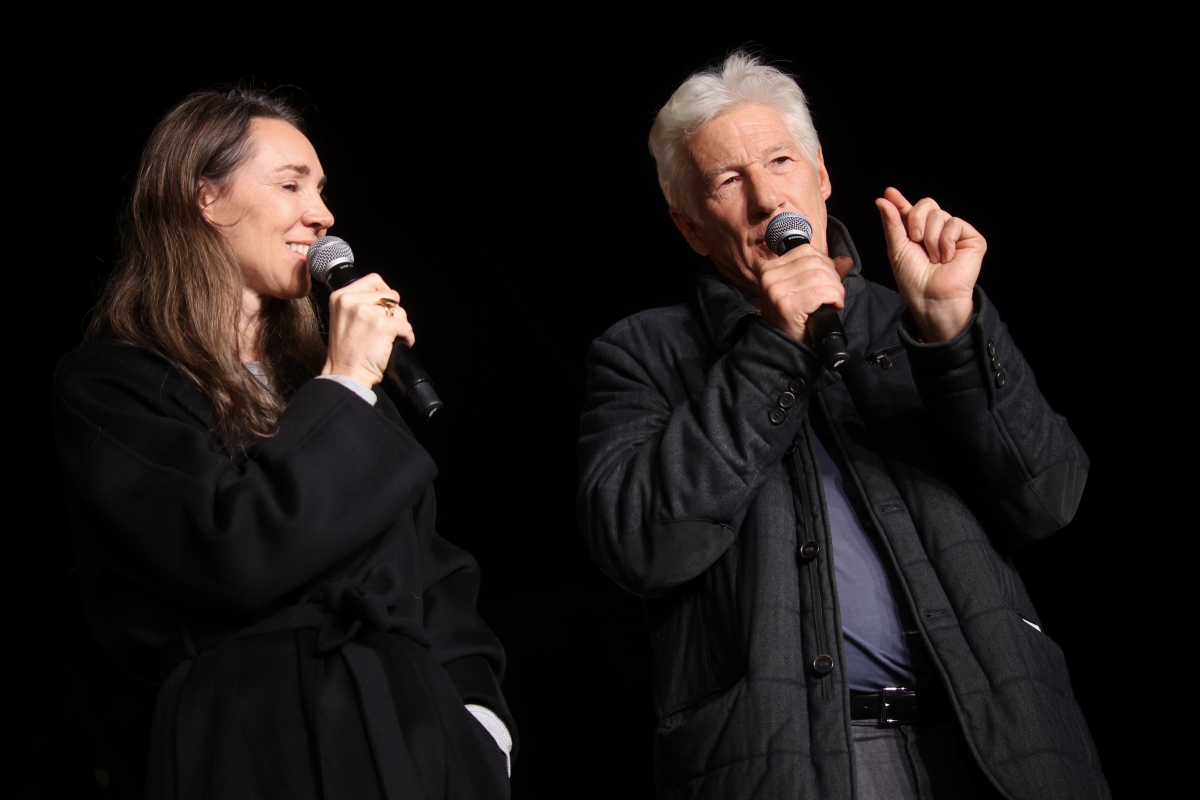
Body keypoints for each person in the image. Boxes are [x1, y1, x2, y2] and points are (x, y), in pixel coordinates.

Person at [576, 53, 1108, 799]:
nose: (767, 198)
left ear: (822, 176)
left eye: (782, 161)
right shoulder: (644, 351)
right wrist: (771, 344)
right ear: (691, 226)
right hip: (804, 762)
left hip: (1002, 741)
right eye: (728, 182)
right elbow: (642, 544)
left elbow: (1047, 498)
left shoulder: (912, 316)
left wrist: (954, 335)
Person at [53, 87, 514, 799]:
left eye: (322, 189)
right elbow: (228, 551)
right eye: (291, 183)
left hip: (415, 735)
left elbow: (432, 572)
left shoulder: (321, 381)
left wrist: (482, 724)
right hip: (256, 736)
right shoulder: (115, 386)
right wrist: (348, 381)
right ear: (205, 197)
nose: (322, 213)